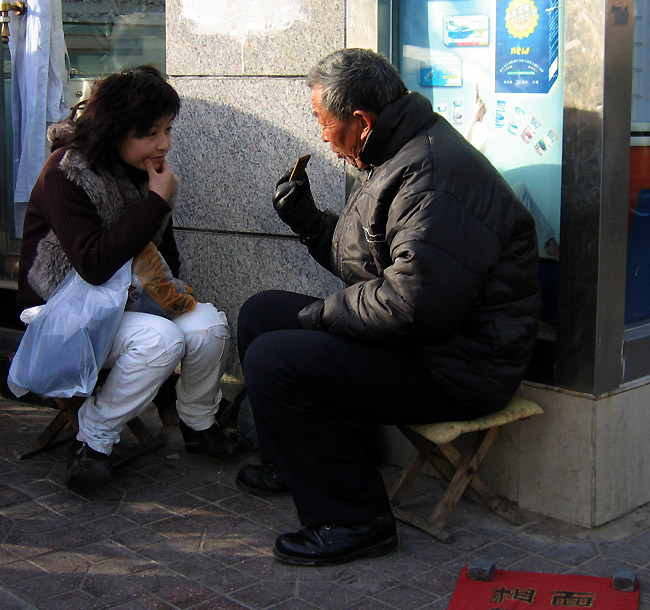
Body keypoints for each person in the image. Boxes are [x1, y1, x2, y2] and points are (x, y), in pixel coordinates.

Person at [234, 48, 539, 566]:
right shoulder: (391, 155)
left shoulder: (433, 176)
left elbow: (410, 304)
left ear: (361, 121)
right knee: (262, 313)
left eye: (323, 124)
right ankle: (295, 461)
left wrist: (322, 315)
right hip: (423, 342)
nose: (322, 139)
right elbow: (368, 263)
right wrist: (310, 221)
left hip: (460, 365)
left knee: (276, 358)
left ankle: (356, 520)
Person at [17, 65, 238, 488]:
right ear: (115, 129)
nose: (164, 144)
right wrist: (155, 202)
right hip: (62, 310)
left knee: (209, 325)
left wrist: (168, 294)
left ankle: (197, 423)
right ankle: (92, 441)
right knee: (160, 340)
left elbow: (165, 257)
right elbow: (94, 264)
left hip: (127, 302)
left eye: (168, 130)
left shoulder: (144, 173)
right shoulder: (66, 171)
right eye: (150, 133)